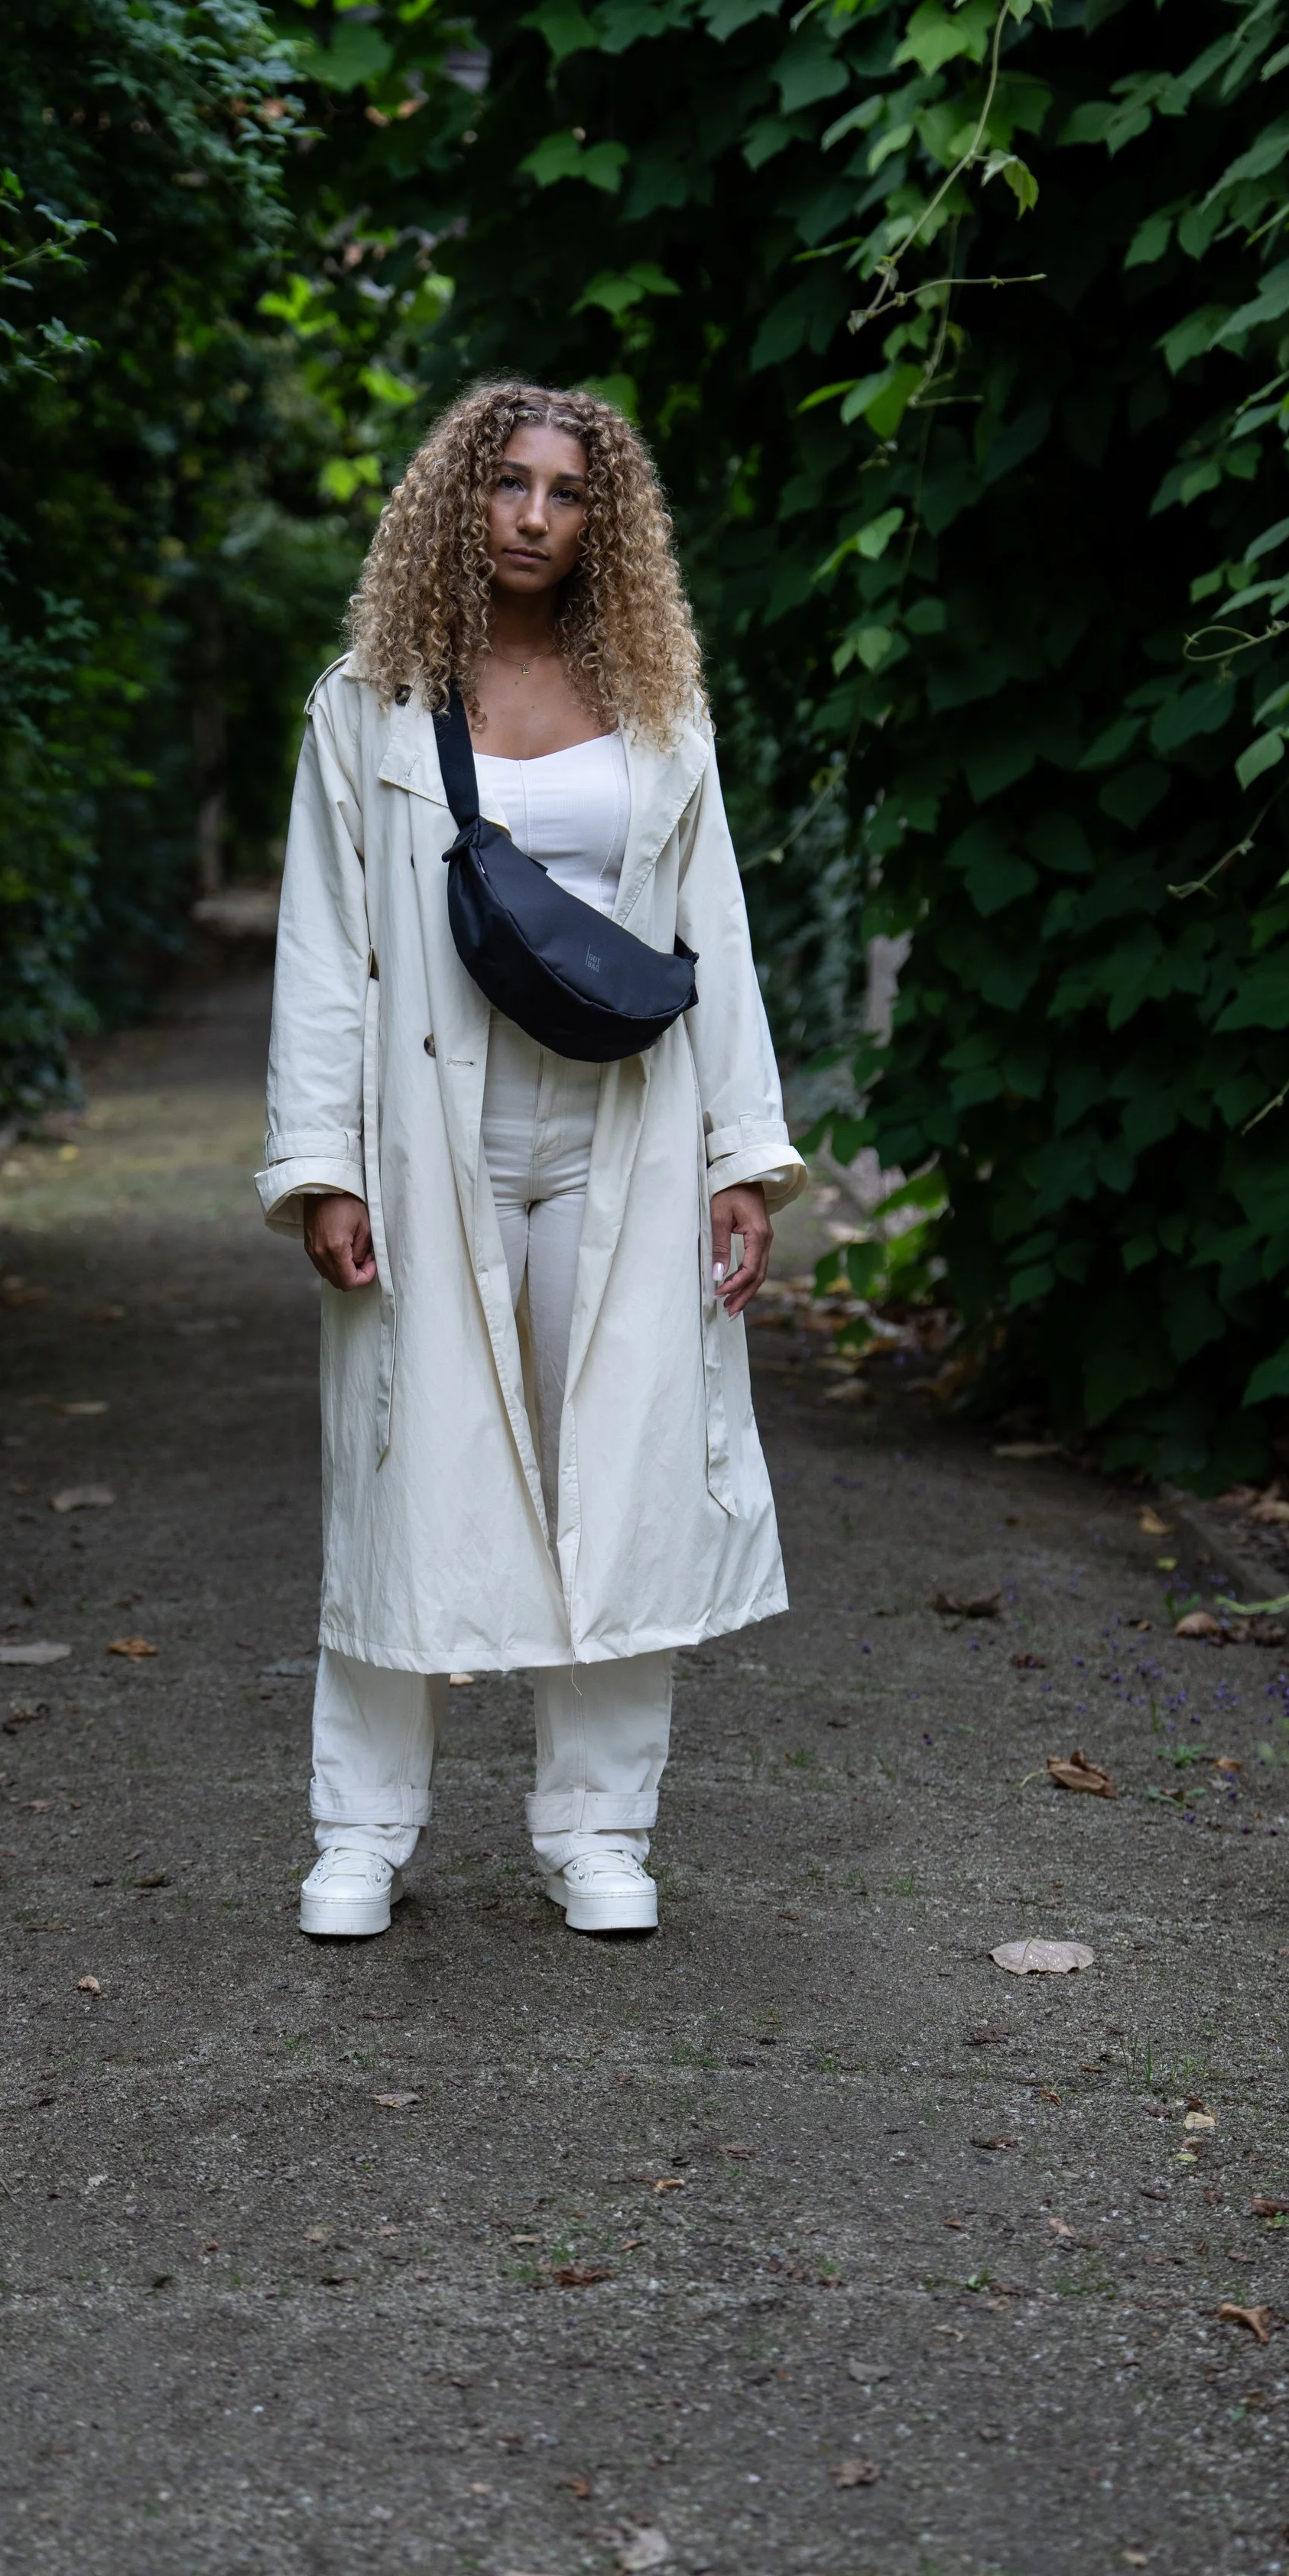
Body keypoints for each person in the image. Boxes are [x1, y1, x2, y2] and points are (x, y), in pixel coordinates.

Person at [257, 381, 804, 1939]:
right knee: (397, 1467)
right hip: (428, 1133)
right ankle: (360, 1830)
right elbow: (320, 947)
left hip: (623, 1129)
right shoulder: (365, 701)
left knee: (617, 1472)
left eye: (567, 494)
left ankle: (596, 1828)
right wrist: (321, 1166)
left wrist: (738, 1160)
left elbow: (720, 937)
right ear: (458, 497)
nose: (531, 518)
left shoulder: (656, 707)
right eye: (506, 484)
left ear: (602, 523)